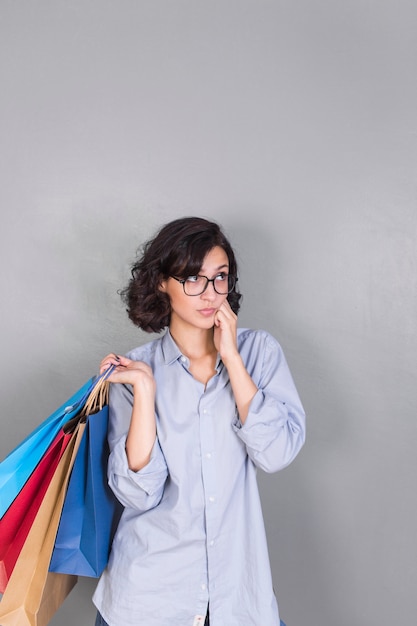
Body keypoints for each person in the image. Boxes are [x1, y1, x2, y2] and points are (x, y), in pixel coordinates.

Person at [92, 217, 305, 626]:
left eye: (219, 277)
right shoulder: (135, 373)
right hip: (147, 603)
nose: (210, 293)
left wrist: (232, 359)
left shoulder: (259, 353)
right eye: (193, 277)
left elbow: (276, 453)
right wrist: (146, 392)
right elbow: (138, 494)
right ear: (161, 283)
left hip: (238, 602)